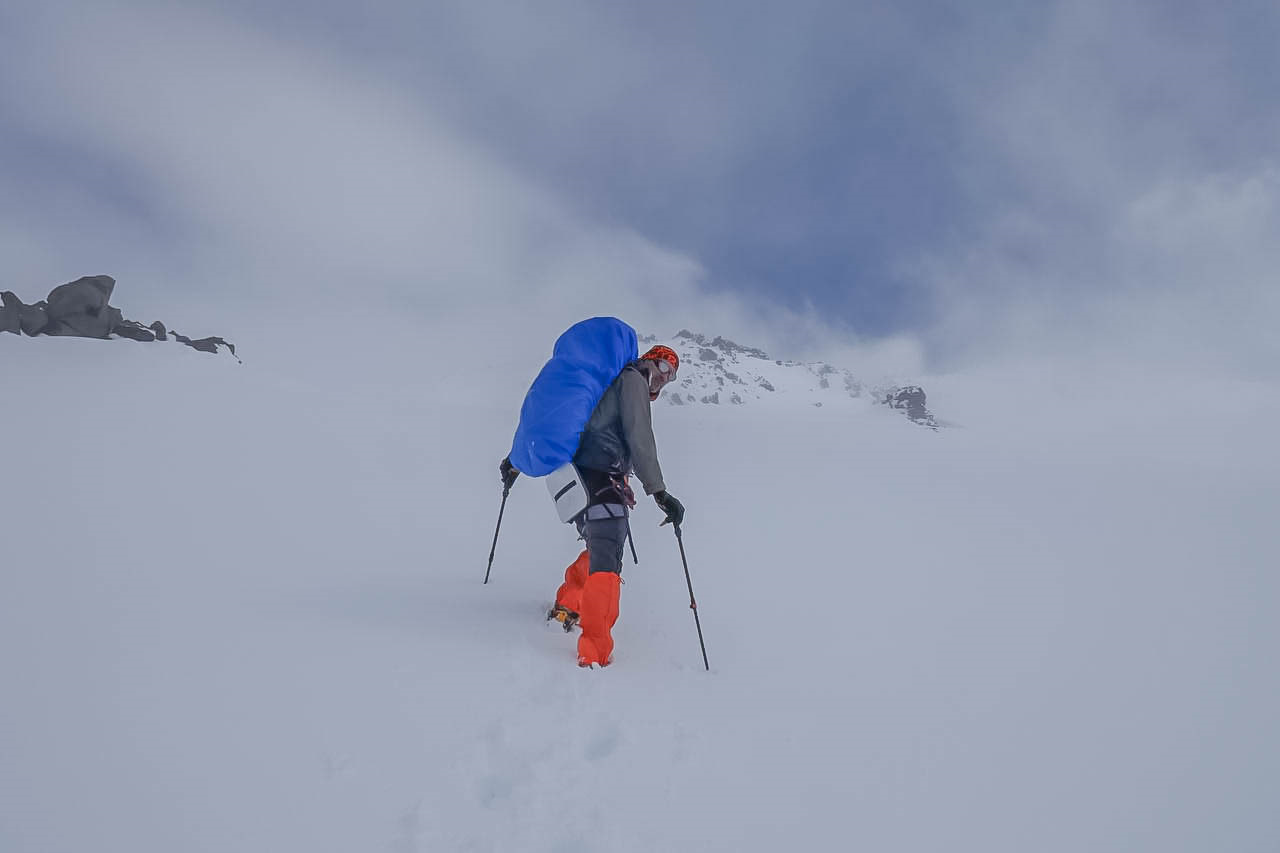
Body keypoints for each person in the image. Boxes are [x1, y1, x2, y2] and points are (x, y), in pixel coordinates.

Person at [500, 344, 685, 667]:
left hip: (582, 479)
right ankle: (594, 651)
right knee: (607, 559)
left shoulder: (619, 381)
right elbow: (640, 436)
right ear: (647, 361)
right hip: (601, 477)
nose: (663, 378)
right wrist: (660, 492)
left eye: (670, 376)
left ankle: (569, 603)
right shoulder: (633, 380)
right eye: (662, 367)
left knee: (602, 546)